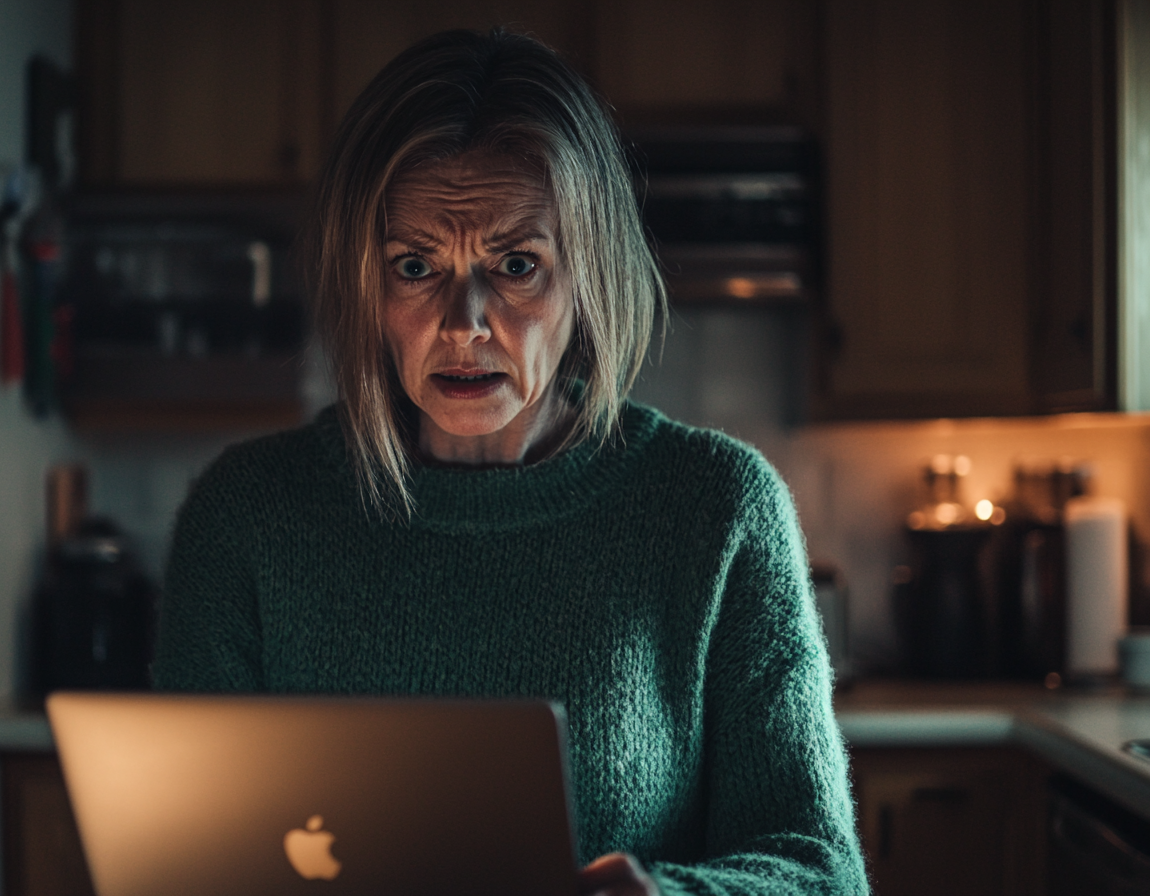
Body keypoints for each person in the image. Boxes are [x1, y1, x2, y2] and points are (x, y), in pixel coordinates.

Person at [154, 27, 868, 896]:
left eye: (517, 264)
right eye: (416, 265)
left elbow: (819, 870)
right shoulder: (247, 516)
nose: (464, 323)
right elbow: (183, 864)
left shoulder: (719, 509)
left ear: (589, 275)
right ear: (364, 283)